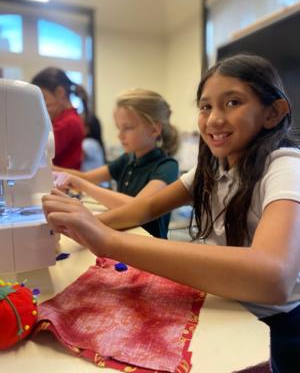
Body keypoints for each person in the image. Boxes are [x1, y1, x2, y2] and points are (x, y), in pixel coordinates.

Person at [42, 54, 300, 372]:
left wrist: (106, 240)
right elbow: (146, 207)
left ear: (273, 113)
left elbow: (272, 277)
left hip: (275, 329)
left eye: (233, 102)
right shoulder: (211, 169)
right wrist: (81, 224)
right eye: (205, 107)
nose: (214, 119)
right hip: (227, 303)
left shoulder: (285, 167)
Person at [53, 89, 179, 238]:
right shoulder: (127, 158)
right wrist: (52, 169)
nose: (120, 135)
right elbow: (87, 177)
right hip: (124, 237)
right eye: (119, 128)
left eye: (128, 128)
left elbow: (138, 208)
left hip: (148, 244)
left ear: (154, 129)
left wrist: (81, 184)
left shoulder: (167, 166)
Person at [31, 67, 85, 170]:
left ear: (60, 92)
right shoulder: (64, 119)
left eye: (44, 98)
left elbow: (39, 152)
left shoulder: (69, 122)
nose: (41, 104)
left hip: (62, 184)